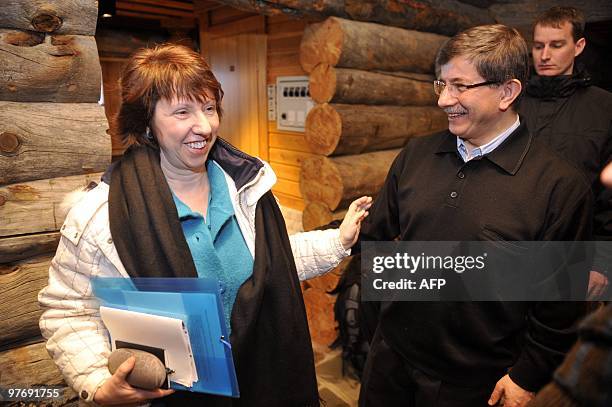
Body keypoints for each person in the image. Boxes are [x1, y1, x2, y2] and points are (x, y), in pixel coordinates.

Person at [38, 44, 372, 407]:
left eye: (209, 108)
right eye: (182, 111)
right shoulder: (103, 214)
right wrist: (96, 381)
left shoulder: (248, 186)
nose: (205, 126)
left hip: (265, 386)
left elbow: (272, 264)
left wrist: (338, 240)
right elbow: (69, 309)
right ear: (146, 121)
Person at [356, 24, 593, 407]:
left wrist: (527, 375)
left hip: (475, 384)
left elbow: (560, 305)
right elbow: (373, 235)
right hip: (390, 362)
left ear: (507, 92)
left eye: (460, 86)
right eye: (441, 84)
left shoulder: (561, 187)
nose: (443, 100)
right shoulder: (415, 155)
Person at [519, 6, 612, 299]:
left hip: (575, 253)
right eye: (538, 46)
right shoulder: (512, 102)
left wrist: (603, 263)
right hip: (512, 248)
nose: (545, 55)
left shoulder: (604, 107)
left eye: (556, 45)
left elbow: (609, 196)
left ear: (578, 46)